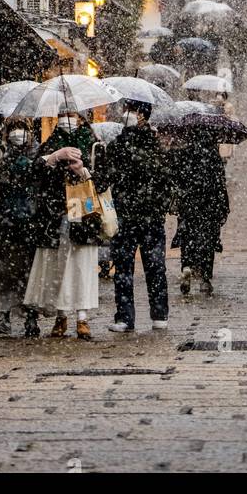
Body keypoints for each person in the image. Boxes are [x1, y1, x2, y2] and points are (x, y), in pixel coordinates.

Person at [23, 107, 108, 341]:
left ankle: (82, 318)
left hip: (83, 214)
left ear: (80, 117)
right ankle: (61, 315)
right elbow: (34, 174)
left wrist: (83, 172)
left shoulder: (93, 143)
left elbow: (104, 179)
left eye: (70, 114)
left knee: (82, 264)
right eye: (62, 114)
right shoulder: (51, 143)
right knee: (58, 266)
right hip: (56, 214)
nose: (66, 119)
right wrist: (53, 158)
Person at [102, 100, 173, 332]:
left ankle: (156, 314)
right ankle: (126, 316)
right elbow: (105, 177)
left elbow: (165, 180)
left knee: (152, 266)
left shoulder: (153, 144)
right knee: (125, 267)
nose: (127, 115)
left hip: (146, 216)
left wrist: (158, 205)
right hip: (128, 215)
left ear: (142, 115)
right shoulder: (120, 144)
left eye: (131, 111)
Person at [0, 118, 39, 333]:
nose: (18, 133)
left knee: (30, 273)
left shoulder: (37, 155)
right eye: (14, 130)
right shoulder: (4, 156)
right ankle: (4, 316)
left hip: (30, 221)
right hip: (7, 222)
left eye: (22, 129)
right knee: (5, 273)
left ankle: (31, 318)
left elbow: (39, 183)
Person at [170, 128, 229, 296]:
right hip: (209, 205)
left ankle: (186, 266)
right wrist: (223, 205)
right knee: (208, 240)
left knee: (188, 236)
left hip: (189, 204)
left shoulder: (184, 153)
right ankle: (205, 278)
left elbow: (175, 178)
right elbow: (220, 183)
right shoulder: (213, 155)